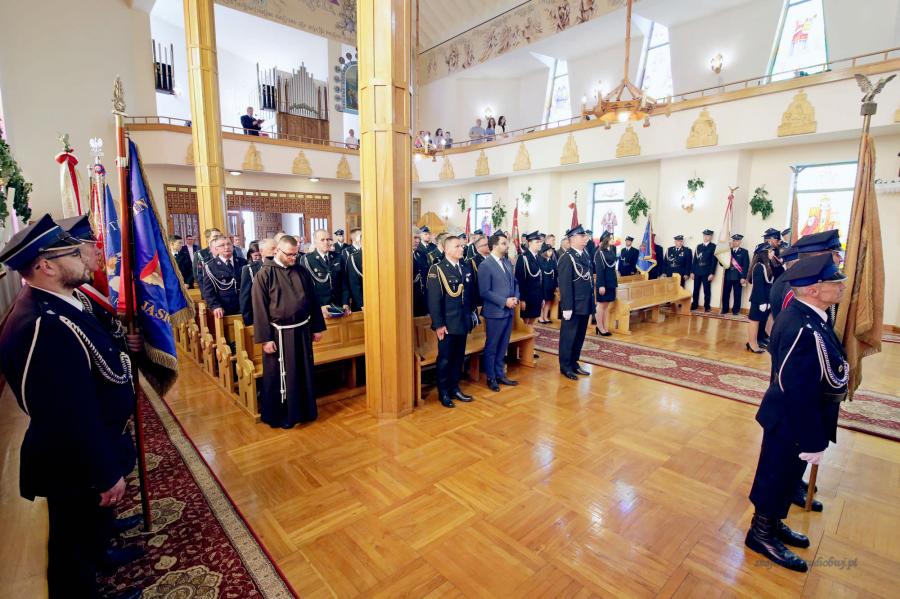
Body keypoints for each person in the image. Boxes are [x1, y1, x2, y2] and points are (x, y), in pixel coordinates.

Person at [0, 215, 143, 599]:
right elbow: (67, 415)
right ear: (45, 266)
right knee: (71, 548)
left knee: (88, 529)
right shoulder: (43, 324)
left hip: (93, 442)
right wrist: (103, 472)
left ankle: (102, 554)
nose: (84, 258)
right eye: (73, 254)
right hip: (73, 460)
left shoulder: (61, 303)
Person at [745, 253, 848, 573]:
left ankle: (773, 525)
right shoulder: (800, 326)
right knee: (775, 475)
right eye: (835, 282)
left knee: (787, 476)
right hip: (789, 419)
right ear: (814, 289)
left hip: (794, 418)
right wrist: (811, 438)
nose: (841, 286)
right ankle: (760, 533)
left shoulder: (812, 316)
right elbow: (796, 389)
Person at [251, 235, 327, 428]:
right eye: (289, 255)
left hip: (302, 331)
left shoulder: (301, 271)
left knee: (303, 373)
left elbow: (313, 300)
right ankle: (283, 416)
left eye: (296, 254)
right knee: (281, 376)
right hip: (279, 335)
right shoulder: (264, 275)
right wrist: (265, 339)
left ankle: (305, 412)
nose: (294, 258)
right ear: (277, 251)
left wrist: (317, 327)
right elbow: (259, 308)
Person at [426, 235, 478, 408]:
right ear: (447, 249)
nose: (462, 248)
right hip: (447, 324)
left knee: (458, 358)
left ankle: (455, 388)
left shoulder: (465, 267)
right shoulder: (437, 269)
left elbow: (469, 295)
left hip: (462, 322)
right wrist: (439, 324)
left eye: (462, 246)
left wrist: (471, 316)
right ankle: (443, 392)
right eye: (457, 246)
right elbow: (434, 300)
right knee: (445, 359)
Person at [477, 232, 521, 392]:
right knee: (492, 346)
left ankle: (500, 374)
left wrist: (516, 297)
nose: (507, 245)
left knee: (503, 345)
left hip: (509, 311)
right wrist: (504, 301)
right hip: (495, 312)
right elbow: (484, 291)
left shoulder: (507, 262)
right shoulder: (485, 265)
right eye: (503, 243)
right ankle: (491, 377)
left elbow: (515, 283)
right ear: (494, 245)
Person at [557, 225, 595, 380]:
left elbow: (588, 280)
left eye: (585, 236)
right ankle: (565, 366)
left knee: (579, 336)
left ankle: (574, 362)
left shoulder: (584, 254)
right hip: (573, 305)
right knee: (569, 337)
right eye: (582, 236)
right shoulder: (567, 257)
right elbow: (565, 284)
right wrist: (567, 307)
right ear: (572, 239)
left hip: (584, 303)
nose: (585, 239)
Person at [301, 229, 350, 318]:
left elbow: (344, 283)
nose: (326, 242)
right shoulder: (307, 260)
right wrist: (319, 306)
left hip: (339, 306)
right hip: (320, 308)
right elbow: (306, 288)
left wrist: (345, 302)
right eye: (322, 240)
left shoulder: (338, 257)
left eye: (328, 239)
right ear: (315, 242)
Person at [201, 235, 247, 318]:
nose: (226, 247)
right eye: (222, 245)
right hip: (225, 309)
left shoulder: (243, 262)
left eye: (229, 244)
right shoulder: (210, 266)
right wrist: (215, 306)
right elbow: (208, 292)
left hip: (244, 307)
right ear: (216, 249)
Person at [240, 238, 276, 325]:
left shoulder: (282, 267)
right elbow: (245, 298)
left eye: (277, 248)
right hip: (260, 317)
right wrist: (249, 323)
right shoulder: (250, 269)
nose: (276, 251)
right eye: (273, 248)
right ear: (262, 251)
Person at [746, 244, 775, 353]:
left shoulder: (767, 265)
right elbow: (758, 286)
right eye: (770, 251)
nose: (773, 253)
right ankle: (752, 344)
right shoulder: (759, 266)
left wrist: (768, 301)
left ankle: (758, 340)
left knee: (762, 321)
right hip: (758, 300)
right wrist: (762, 302)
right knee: (754, 321)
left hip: (765, 299)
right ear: (764, 253)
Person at [515, 231, 544, 325]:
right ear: (529, 243)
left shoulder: (538, 257)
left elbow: (540, 279)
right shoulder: (523, 258)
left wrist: (542, 297)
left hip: (537, 296)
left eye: (540, 242)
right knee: (525, 322)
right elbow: (520, 280)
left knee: (533, 319)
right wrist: (522, 299)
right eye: (537, 242)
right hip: (528, 296)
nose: (540, 244)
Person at [593, 230, 618, 336]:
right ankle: (599, 327)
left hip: (611, 281)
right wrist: (601, 285)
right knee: (601, 305)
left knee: (606, 306)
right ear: (605, 240)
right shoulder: (599, 252)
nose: (613, 240)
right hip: (603, 282)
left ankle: (604, 326)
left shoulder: (611, 250)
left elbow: (612, 268)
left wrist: (615, 283)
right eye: (611, 238)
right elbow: (599, 270)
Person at [722, 234, 750, 315]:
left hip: (738, 276)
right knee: (725, 294)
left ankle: (736, 310)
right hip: (728, 275)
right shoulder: (728, 251)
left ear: (740, 242)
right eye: (734, 240)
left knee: (737, 294)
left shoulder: (744, 252)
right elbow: (722, 263)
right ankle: (725, 309)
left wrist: (743, 277)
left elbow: (745, 265)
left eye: (737, 241)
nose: (735, 242)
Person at [691, 229, 717, 312]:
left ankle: (707, 306)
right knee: (695, 289)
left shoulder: (713, 246)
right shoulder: (698, 246)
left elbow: (714, 261)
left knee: (706, 290)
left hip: (707, 272)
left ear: (711, 237)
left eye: (708, 236)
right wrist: (692, 272)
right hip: (697, 271)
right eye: (705, 235)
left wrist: (712, 273)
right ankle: (694, 304)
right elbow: (695, 260)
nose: (706, 237)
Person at [344, 228, 364, 311]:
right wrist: (361, 304)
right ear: (361, 242)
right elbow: (354, 283)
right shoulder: (353, 258)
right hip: (361, 302)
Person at [538, 241, 558, 324]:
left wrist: (555, 285)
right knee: (543, 302)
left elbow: (555, 273)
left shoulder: (552, 261)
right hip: (543, 285)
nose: (551, 252)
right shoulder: (540, 261)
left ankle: (546, 317)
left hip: (551, 285)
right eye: (549, 251)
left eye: (551, 251)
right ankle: (540, 317)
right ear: (544, 252)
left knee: (549, 301)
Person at [412, 228, 429, 316]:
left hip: (422, 298)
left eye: (419, 238)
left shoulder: (420, 254)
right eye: (415, 238)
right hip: (411, 299)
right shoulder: (402, 255)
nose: (418, 241)